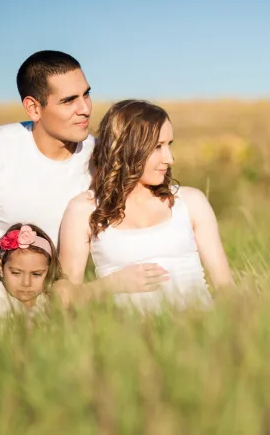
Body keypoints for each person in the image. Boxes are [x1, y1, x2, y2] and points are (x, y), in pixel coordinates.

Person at [0, 50, 168, 308]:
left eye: (86, 94)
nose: (85, 108)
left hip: (43, 305)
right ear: (34, 108)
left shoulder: (100, 159)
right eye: (69, 100)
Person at [55, 99, 235, 313]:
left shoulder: (190, 202)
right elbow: (61, 297)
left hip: (199, 331)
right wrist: (111, 284)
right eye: (157, 147)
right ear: (126, 148)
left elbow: (226, 289)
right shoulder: (84, 210)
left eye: (169, 145)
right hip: (129, 341)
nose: (169, 158)